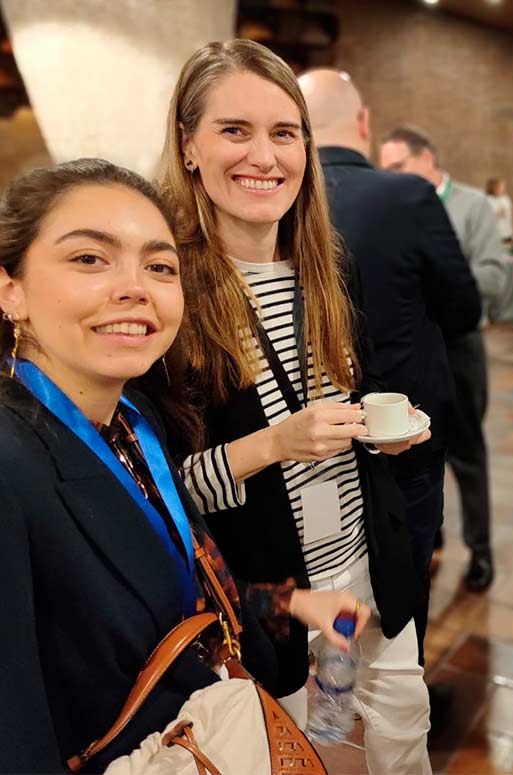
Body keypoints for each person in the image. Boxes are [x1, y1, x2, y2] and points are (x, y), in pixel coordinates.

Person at [0, 158, 369, 773]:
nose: (134, 287)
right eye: (90, 258)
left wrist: (283, 604)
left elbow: (163, 573)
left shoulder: (133, 421)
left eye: (159, 266)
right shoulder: (11, 462)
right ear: (10, 289)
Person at [158, 41, 431, 774]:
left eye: (285, 133)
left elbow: (345, 401)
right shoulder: (168, 292)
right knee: (294, 749)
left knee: (405, 731)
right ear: (188, 147)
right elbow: (166, 492)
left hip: (371, 560)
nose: (265, 156)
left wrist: (378, 434)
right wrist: (276, 442)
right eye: (234, 130)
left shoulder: (329, 265)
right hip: (275, 594)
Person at [296, 72, 478, 731]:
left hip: (306, 427)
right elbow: (465, 306)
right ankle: (401, 686)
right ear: (365, 120)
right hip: (399, 422)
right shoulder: (406, 193)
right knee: (405, 562)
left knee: (323, 559)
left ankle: (331, 705)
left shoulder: (285, 199)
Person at [380, 125, 505, 591]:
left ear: (428, 160)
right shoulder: (393, 207)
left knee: (468, 454)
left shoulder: (474, 206)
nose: (387, 177)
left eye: (397, 168)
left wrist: (433, 285)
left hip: (459, 347)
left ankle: (482, 550)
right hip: (412, 350)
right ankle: (431, 538)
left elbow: (493, 277)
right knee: (417, 448)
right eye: (384, 169)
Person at [485, 176, 513, 243]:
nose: (502, 188)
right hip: (494, 235)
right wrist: (496, 213)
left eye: (503, 186)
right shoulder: (487, 200)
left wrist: (512, 233)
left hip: (507, 234)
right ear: (494, 187)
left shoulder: (506, 199)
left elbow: (509, 218)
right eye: (500, 186)